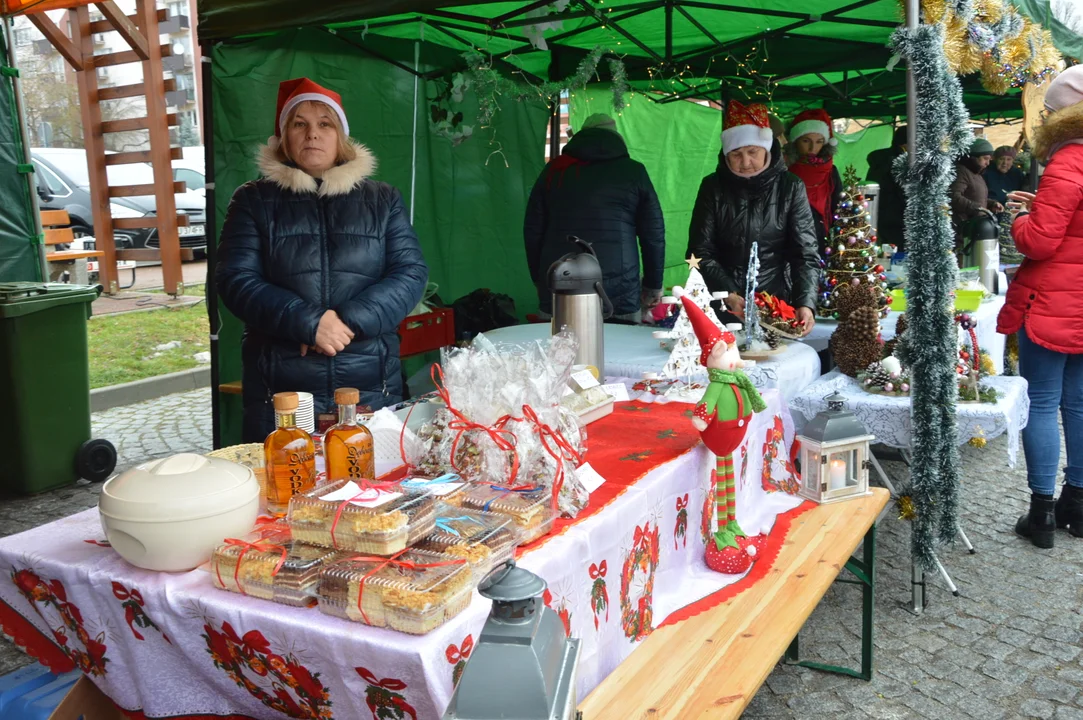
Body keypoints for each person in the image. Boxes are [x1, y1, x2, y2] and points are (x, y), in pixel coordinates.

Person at [216, 78, 428, 442]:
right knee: (288, 492)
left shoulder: (382, 200)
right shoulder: (253, 200)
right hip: (281, 397)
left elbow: (409, 274)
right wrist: (307, 323)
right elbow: (236, 279)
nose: (312, 134)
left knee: (372, 492)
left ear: (340, 136)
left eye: (324, 124)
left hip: (370, 388)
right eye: (300, 123)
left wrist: (343, 323)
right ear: (284, 136)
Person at [998, 65, 1083, 549]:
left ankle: (1042, 514)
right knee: (1079, 404)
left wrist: (1022, 218)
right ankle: (1078, 504)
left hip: (1051, 302)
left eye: (1049, 110)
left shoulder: (1068, 161)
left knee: (1042, 403)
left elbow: (1042, 242)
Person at [687, 100, 820, 335]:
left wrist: (805, 302)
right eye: (736, 154)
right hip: (721, 303)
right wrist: (728, 293)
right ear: (726, 154)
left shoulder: (790, 187)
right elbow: (699, 253)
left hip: (776, 305)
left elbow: (805, 253)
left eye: (752, 152)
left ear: (766, 149)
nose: (746, 162)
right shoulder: (712, 187)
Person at [524, 113, 665, 323]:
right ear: (616, 137)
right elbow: (653, 235)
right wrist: (653, 285)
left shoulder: (554, 171)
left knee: (561, 352)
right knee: (622, 352)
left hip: (560, 283)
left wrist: (539, 279)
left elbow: (533, 231)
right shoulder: (633, 172)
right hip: (619, 290)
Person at [786, 108, 843, 254]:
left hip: (824, 239)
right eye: (806, 141)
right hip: (791, 240)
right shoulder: (785, 169)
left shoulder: (831, 171)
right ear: (795, 141)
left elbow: (838, 205)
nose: (812, 148)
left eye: (819, 142)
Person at [949, 137, 1003, 254]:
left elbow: (975, 196)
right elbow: (954, 196)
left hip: (973, 227)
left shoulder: (976, 173)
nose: (988, 163)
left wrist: (991, 204)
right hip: (961, 229)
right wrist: (976, 208)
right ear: (973, 158)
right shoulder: (961, 171)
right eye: (985, 159)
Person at [865, 125, 908, 252]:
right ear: (905, 144)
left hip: (882, 218)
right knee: (898, 258)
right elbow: (903, 193)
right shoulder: (898, 163)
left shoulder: (880, 161)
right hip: (896, 220)